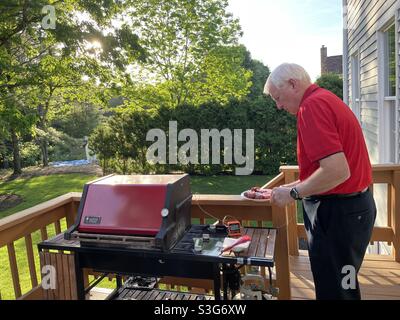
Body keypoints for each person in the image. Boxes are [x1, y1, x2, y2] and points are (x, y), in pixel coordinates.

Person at [264, 63, 376, 300]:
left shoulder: (312, 107)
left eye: (278, 97)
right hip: (352, 210)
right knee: (343, 284)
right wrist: (294, 186)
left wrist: (293, 194)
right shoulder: (325, 99)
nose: (278, 105)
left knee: (335, 290)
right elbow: (331, 170)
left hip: (338, 215)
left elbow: (337, 172)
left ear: (293, 84)